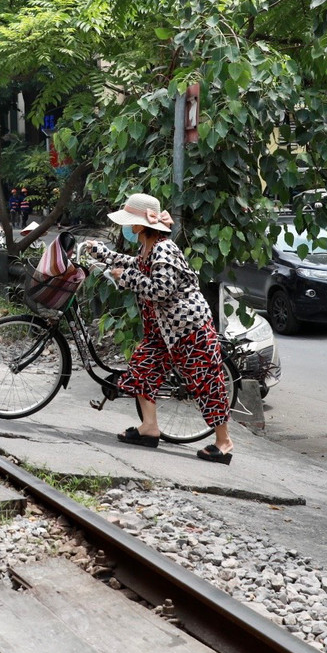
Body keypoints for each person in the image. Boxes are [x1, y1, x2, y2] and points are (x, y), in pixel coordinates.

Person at [83, 193, 233, 465]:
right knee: (142, 370)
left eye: (131, 223)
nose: (127, 228)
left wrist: (126, 278)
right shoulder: (148, 246)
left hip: (188, 329)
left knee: (206, 384)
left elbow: (161, 290)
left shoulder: (164, 249)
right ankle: (149, 428)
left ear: (141, 226)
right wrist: (100, 252)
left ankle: (224, 442)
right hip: (161, 332)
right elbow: (132, 263)